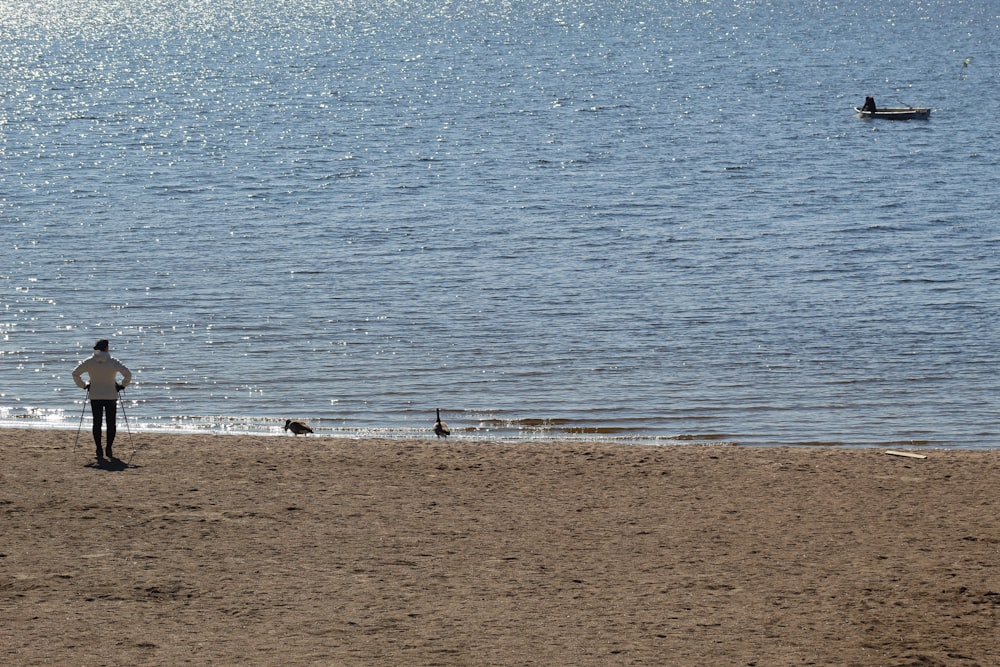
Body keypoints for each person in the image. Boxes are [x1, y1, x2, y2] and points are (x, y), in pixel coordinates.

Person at [73, 339, 132, 460]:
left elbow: (75, 373)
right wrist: (122, 385)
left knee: (97, 423)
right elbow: (128, 374)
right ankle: (109, 448)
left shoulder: (89, 361)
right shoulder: (112, 361)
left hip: (95, 395)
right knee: (111, 423)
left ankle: (99, 448)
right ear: (106, 348)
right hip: (111, 395)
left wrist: (84, 385)